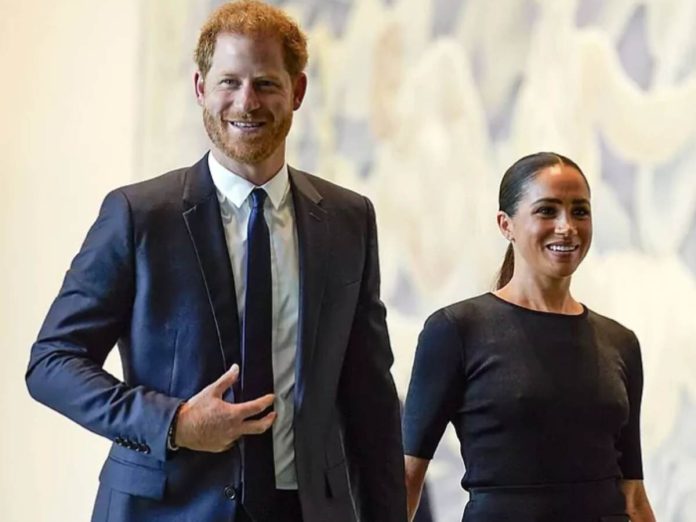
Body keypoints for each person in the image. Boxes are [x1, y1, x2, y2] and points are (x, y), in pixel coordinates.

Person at [25, 2, 406, 521]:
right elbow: (52, 363)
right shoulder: (139, 215)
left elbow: (372, 403)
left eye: (266, 84)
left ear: (297, 91)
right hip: (164, 509)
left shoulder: (348, 219)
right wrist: (174, 423)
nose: (246, 102)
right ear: (200, 88)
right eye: (229, 82)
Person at [402, 152, 656, 522]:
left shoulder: (620, 342)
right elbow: (408, 477)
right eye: (547, 211)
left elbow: (632, 494)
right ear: (506, 225)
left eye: (580, 211)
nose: (567, 226)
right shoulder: (456, 330)